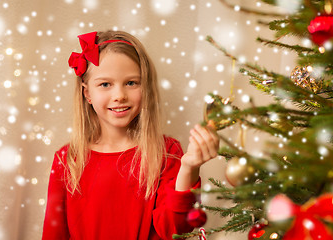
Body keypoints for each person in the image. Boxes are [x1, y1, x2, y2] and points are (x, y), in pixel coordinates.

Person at [42, 30, 219, 240]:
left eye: (131, 83)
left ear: (146, 87)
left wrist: (189, 168)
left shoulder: (167, 152)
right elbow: (54, 234)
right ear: (87, 93)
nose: (119, 96)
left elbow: (175, 229)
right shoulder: (67, 160)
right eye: (105, 84)